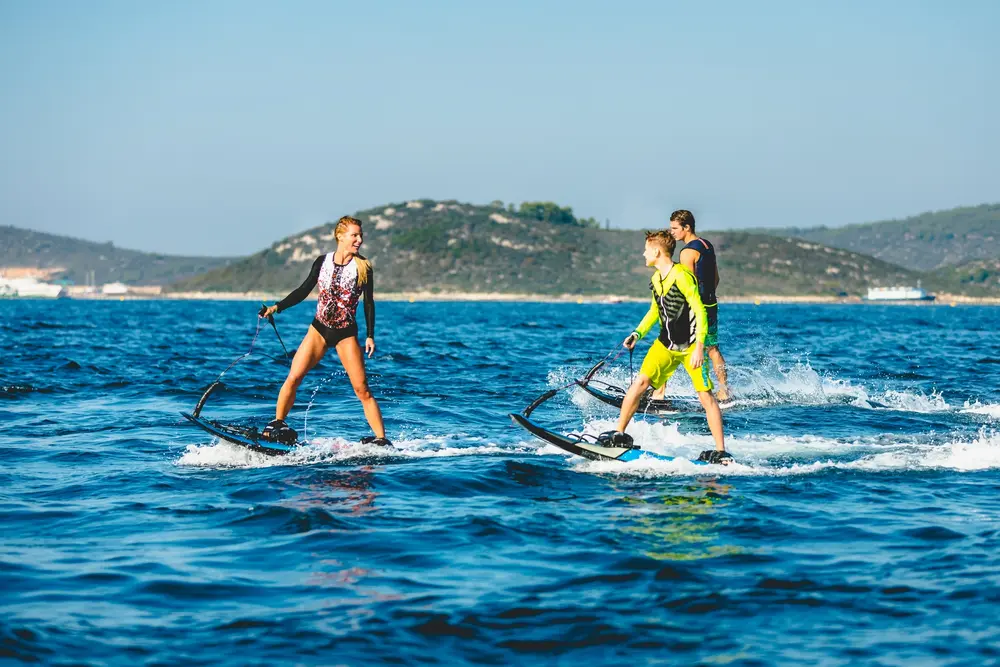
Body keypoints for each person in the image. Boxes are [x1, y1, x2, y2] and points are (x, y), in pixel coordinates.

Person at [598, 230, 731, 464]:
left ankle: (720, 451)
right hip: (664, 345)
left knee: (705, 396)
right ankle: (619, 433)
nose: (643, 254)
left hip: (690, 346)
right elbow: (654, 311)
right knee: (640, 383)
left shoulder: (682, 276)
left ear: (657, 251)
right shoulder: (657, 279)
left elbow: (699, 310)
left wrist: (699, 346)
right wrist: (637, 334)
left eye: (646, 250)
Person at [259, 216, 390, 446]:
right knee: (294, 377)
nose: (359, 240)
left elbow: (369, 303)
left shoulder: (363, 267)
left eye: (360, 236)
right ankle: (277, 424)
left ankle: (381, 439)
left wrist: (370, 335)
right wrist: (276, 307)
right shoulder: (322, 262)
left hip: (346, 334)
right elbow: (303, 290)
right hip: (318, 330)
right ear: (340, 236)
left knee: (362, 389)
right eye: (354, 235)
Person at [654, 209, 730, 401]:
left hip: (694, 309)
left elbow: (688, 286)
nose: (671, 232)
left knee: (669, 344)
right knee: (712, 349)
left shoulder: (687, 253)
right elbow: (716, 278)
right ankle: (724, 391)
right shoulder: (706, 245)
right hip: (710, 304)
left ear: (686, 227)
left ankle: (659, 393)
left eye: (675, 228)